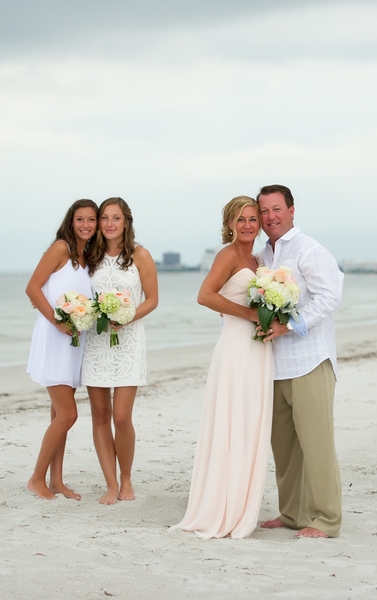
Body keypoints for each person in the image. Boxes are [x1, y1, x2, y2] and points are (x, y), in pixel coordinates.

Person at [174, 196, 274, 539]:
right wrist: (250, 314)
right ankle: (223, 506)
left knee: (249, 422)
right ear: (229, 224)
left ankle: (241, 502)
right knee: (233, 422)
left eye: (252, 219)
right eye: (240, 219)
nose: (247, 225)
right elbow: (206, 295)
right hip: (235, 348)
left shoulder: (257, 258)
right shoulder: (228, 255)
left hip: (259, 349)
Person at [256, 184, 344, 539]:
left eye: (277, 209)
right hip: (275, 364)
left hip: (310, 361)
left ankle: (326, 519)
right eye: (264, 211)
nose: (270, 217)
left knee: (317, 444)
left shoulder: (309, 249)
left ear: (292, 210)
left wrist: (288, 325)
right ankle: (292, 512)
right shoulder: (263, 255)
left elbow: (329, 297)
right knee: (285, 446)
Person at [81, 198, 158, 504]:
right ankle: (111, 483)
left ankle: (126, 478)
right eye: (104, 218)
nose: (109, 223)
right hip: (97, 342)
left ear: (126, 222)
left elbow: (152, 299)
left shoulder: (140, 255)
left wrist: (127, 317)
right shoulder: (90, 257)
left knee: (122, 417)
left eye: (116, 218)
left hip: (129, 341)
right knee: (100, 415)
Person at [25, 199, 98, 500]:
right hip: (55, 339)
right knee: (68, 414)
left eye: (91, 220)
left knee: (59, 413)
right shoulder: (60, 249)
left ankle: (56, 480)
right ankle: (36, 478)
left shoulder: (85, 257)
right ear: (71, 221)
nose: (86, 225)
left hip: (73, 341)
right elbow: (32, 288)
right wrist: (57, 321)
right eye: (80, 219)